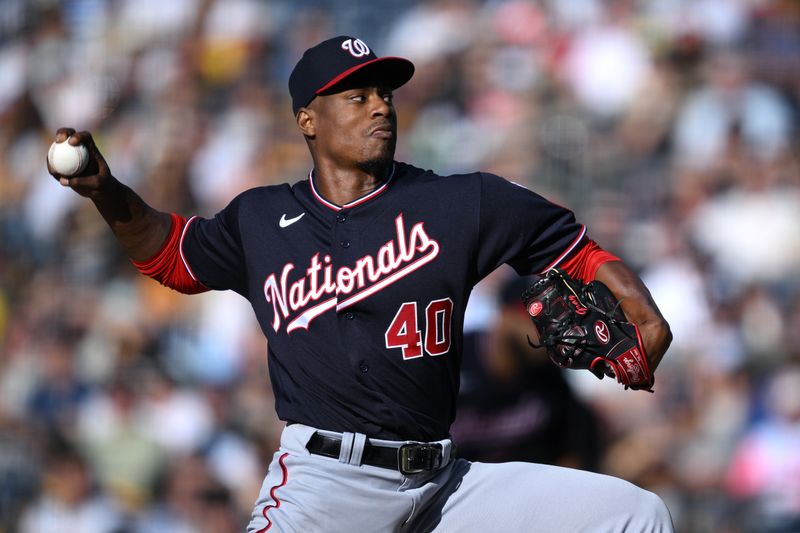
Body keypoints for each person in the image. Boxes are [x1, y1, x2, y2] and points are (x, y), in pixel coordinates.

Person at [49, 35, 673, 532]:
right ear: (308, 120)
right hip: (327, 486)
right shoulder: (262, 219)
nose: (379, 105)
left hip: (443, 487)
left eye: (384, 94)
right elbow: (170, 254)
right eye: (355, 96)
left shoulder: (459, 203)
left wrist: (644, 314)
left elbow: (572, 246)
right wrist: (107, 192)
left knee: (635, 516)